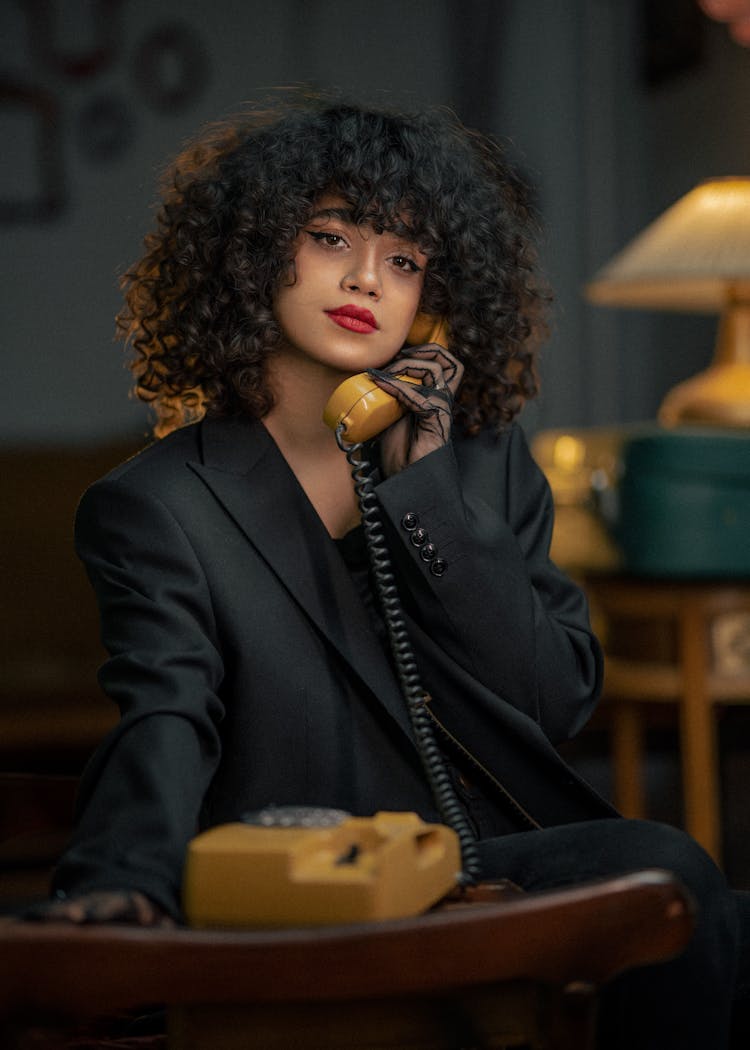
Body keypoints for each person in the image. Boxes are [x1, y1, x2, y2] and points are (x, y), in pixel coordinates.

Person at [36, 96, 743, 1047]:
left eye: (404, 260)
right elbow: (167, 712)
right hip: (312, 873)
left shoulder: (482, 462)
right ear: (249, 256)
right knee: (684, 883)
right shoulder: (159, 505)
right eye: (331, 238)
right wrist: (119, 881)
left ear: (435, 299)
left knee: (690, 895)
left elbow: (558, 698)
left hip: (491, 853)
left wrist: (427, 495)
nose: (367, 278)